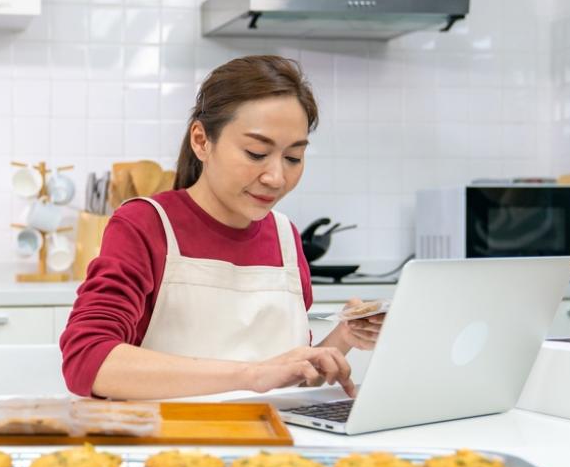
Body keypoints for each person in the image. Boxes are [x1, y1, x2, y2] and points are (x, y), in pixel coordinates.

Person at [60, 55, 384, 400]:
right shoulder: (146, 225)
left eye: (293, 158)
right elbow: (87, 361)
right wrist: (251, 374)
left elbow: (284, 381)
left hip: (272, 444)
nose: (276, 177)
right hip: (173, 443)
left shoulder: (286, 237)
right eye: (256, 153)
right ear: (201, 141)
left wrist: (343, 338)